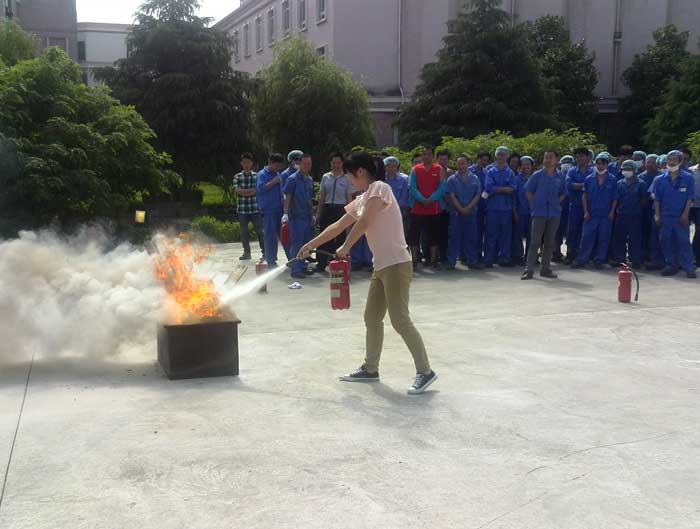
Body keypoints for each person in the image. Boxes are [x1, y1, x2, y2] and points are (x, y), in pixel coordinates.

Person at [298, 152, 437, 395]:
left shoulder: (380, 188)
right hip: (381, 266)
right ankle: (370, 369)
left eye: (350, 176)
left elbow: (364, 222)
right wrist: (310, 245)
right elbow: (338, 225)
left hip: (396, 264)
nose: (349, 180)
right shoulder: (363, 198)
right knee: (372, 317)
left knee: (400, 320)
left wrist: (345, 247)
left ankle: (425, 371)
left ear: (361, 172)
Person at [521, 149, 566, 280]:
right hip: (539, 213)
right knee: (535, 242)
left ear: (556, 160)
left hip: (554, 213)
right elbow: (528, 191)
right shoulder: (537, 175)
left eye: (551, 157)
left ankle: (545, 269)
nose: (548, 160)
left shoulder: (560, 176)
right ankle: (529, 269)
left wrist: (557, 202)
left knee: (549, 242)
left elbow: (564, 193)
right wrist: (534, 205)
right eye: (546, 157)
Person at [572, 152, 619, 269]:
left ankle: (599, 260)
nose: (600, 166)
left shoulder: (612, 179)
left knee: (604, 238)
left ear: (607, 165)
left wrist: (612, 212)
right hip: (591, 213)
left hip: (605, 214)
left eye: (603, 164)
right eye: (598, 163)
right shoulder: (589, 179)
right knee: (586, 237)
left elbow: (615, 198)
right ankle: (582, 259)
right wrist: (586, 211)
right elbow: (584, 196)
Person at [654, 150, 697, 278]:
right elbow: (657, 199)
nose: (671, 162)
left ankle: (689, 267)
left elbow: (690, 198)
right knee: (665, 240)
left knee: (683, 241)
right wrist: (657, 215)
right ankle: (671, 265)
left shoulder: (688, 178)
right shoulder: (660, 179)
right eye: (669, 159)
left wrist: (685, 214)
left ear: (680, 161)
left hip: (680, 216)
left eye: (674, 159)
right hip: (665, 216)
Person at [408, 146, 446, 269]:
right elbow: (412, 187)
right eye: (424, 154)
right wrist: (422, 199)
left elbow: (442, 187)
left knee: (434, 235)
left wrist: (431, 199)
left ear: (433, 156)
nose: (426, 156)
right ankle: (414, 260)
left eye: (429, 154)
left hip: (434, 207)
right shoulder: (415, 169)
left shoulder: (439, 169)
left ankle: (433, 260)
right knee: (414, 235)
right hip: (417, 207)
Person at [315, 153, 353, 273]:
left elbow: (349, 197)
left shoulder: (347, 178)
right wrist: (318, 213)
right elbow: (322, 196)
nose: (336, 165)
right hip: (327, 209)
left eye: (338, 163)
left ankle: (338, 264)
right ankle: (321, 264)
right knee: (324, 236)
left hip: (341, 209)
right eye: (334, 163)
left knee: (340, 237)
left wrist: (350, 214)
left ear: (342, 164)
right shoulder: (326, 177)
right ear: (330, 164)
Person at [445, 154, 482, 270]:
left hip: (471, 213)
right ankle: (451, 262)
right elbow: (451, 196)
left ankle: (472, 261)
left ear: (468, 164)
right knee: (454, 238)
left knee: (471, 237)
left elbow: (477, 195)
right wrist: (461, 209)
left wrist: (468, 208)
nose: (461, 166)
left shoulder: (475, 178)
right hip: (456, 213)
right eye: (459, 164)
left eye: (463, 163)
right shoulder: (451, 179)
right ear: (456, 165)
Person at [483, 146, 517, 267]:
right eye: (499, 154)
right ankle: (488, 259)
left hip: (506, 209)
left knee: (505, 235)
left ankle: (504, 258)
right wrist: (504, 189)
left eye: (504, 154)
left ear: (507, 156)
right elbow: (488, 188)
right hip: (492, 208)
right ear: (496, 156)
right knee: (491, 234)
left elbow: (512, 189)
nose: (501, 157)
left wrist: (497, 189)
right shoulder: (491, 171)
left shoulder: (510, 172)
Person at [283, 154, 315, 279]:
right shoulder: (292, 179)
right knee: (297, 243)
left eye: (309, 164)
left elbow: (310, 199)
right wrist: (285, 213)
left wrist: (312, 214)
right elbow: (288, 197)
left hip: (307, 216)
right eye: (304, 164)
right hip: (296, 216)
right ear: (299, 164)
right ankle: (295, 269)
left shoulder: (309, 179)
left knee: (306, 243)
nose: (307, 166)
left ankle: (302, 266)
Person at [612, 160, 647, 268]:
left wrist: (637, 209)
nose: (626, 171)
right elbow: (616, 199)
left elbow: (644, 200)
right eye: (624, 169)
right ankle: (620, 259)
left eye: (629, 169)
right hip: (621, 214)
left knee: (635, 238)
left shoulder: (641, 184)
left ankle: (636, 260)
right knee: (619, 238)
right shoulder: (619, 183)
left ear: (634, 170)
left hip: (635, 215)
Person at [256, 153, 286, 268]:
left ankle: (291, 258)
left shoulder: (278, 174)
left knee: (284, 235)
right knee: (270, 236)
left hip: (279, 209)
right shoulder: (262, 174)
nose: (278, 168)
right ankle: (271, 260)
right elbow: (260, 189)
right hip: (268, 210)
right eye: (276, 166)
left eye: (279, 166)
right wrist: (274, 182)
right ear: (270, 162)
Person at [233, 152, 264, 261]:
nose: (246, 164)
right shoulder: (237, 176)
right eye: (244, 162)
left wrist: (244, 192)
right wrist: (250, 191)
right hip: (242, 209)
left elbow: (257, 190)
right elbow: (237, 190)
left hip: (255, 208)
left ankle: (265, 252)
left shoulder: (257, 176)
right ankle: (246, 253)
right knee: (244, 232)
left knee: (260, 232)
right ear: (241, 163)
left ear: (252, 163)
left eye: (248, 162)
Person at [565, 147, 593, 264]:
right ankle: (570, 254)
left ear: (588, 157)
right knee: (572, 231)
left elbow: (593, 186)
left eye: (582, 156)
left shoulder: (593, 171)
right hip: (575, 206)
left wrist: (579, 186)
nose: (579, 159)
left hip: (589, 207)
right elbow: (569, 185)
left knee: (586, 233)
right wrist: (584, 186)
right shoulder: (571, 171)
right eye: (577, 157)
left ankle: (583, 256)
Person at [280, 150, 304, 258]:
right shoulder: (285, 175)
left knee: (301, 236)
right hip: (290, 210)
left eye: (300, 160)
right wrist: (285, 212)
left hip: (301, 209)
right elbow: (285, 194)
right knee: (288, 236)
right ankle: (291, 258)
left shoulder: (303, 173)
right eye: (297, 160)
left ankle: (301, 257)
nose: (299, 162)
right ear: (291, 161)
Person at [470, 151, 492, 263]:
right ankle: (467, 255)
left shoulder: (487, 172)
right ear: (477, 159)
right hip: (470, 205)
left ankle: (478, 254)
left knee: (480, 231)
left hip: (483, 206)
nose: (483, 162)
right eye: (482, 160)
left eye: (486, 161)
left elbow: (488, 189)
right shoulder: (469, 171)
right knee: (470, 231)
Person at [512, 155, 534, 265]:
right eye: (523, 165)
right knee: (518, 236)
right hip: (520, 212)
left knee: (532, 236)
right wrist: (515, 212)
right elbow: (514, 198)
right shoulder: (516, 179)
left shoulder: (535, 179)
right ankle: (518, 256)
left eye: (528, 164)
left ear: (531, 166)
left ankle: (530, 257)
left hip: (533, 213)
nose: (525, 167)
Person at [638, 154, 660, 264]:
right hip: (642, 209)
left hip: (655, 209)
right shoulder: (640, 177)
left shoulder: (660, 177)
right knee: (642, 232)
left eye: (653, 162)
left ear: (657, 164)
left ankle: (653, 257)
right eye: (648, 162)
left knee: (654, 234)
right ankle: (642, 256)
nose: (650, 164)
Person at [553, 155, 574, 262]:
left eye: (569, 162)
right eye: (564, 162)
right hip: (558, 207)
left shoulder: (573, 174)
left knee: (570, 231)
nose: (566, 164)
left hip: (571, 208)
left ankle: (570, 253)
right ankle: (555, 252)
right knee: (556, 231)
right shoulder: (557, 176)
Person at [384, 156, 410, 237]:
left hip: (400, 209)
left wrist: (394, 208)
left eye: (393, 166)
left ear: (397, 167)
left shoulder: (404, 179)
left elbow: (404, 197)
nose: (391, 168)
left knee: (400, 233)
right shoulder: (381, 179)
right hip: (384, 209)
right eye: (388, 166)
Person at [436, 149, 454, 262]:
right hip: (435, 206)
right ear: (437, 159)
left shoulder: (451, 173)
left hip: (447, 207)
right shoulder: (433, 171)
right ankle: (433, 255)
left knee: (446, 232)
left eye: (445, 159)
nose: (443, 161)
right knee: (434, 232)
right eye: (441, 159)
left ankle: (444, 255)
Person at [691, 161, 700, 265]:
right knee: (683, 231)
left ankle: (696, 256)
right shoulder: (691, 171)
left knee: (698, 231)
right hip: (688, 205)